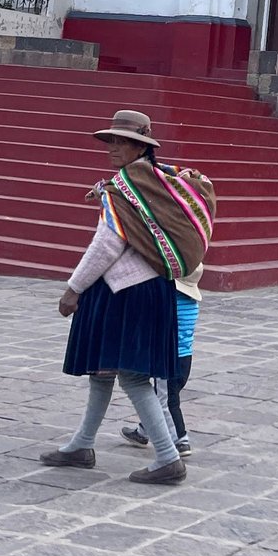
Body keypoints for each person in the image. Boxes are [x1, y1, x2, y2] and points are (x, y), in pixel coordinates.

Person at [40, 110, 214, 485]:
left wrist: (73, 288)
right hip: (149, 291)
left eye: (121, 141)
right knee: (102, 372)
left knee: (133, 377)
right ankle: (81, 445)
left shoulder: (125, 188)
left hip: (126, 293)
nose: (112, 148)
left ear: (140, 146)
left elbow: (107, 244)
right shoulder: (155, 184)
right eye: (111, 141)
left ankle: (168, 457)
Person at [124, 265, 199, 456]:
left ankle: (180, 439)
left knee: (167, 401)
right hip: (185, 358)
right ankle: (143, 431)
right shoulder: (191, 304)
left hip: (169, 358)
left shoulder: (171, 301)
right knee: (159, 397)